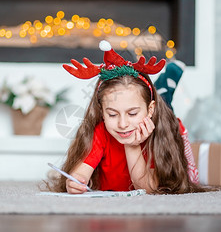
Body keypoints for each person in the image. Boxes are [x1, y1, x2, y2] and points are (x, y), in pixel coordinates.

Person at [50, 41, 211, 194]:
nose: (122, 124)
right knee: (155, 103)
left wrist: (132, 146)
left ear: (150, 110)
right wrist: (75, 181)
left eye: (132, 113)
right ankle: (160, 93)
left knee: (166, 112)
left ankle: (164, 91)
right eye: (112, 114)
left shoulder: (164, 132)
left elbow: (148, 189)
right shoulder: (100, 132)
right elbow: (80, 173)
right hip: (147, 107)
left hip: (162, 120)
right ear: (101, 111)